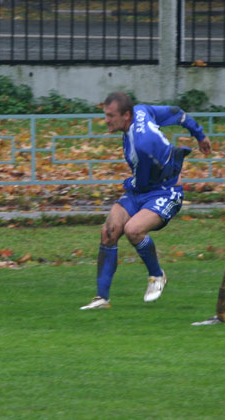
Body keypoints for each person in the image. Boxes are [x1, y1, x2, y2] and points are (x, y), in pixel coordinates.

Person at [80, 92, 212, 310]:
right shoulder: (141, 110)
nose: (106, 120)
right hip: (145, 187)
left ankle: (157, 275)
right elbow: (176, 113)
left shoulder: (141, 144)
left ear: (126, 115)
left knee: (133, 230)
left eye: (110, 115)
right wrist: (200, 135)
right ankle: (101, 299)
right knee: (109, 231)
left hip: (165, 192)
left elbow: (139, 183)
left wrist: (126, 183)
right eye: (105, 114)